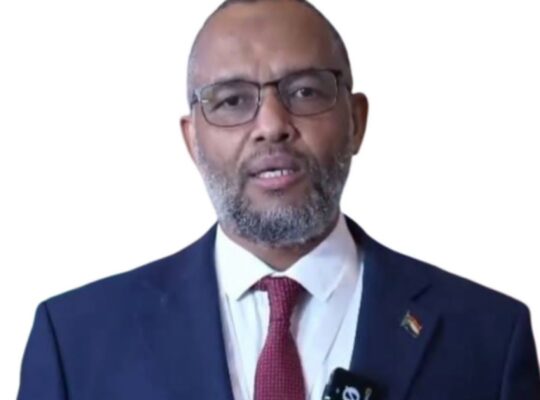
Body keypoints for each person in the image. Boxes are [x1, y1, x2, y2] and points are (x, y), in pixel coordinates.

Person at [17, 0, 540, 399]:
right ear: (192, 140)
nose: (272, 125)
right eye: (232, 100)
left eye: (305, 91)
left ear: (356, 121)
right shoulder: (75, 341)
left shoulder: (489, 336)